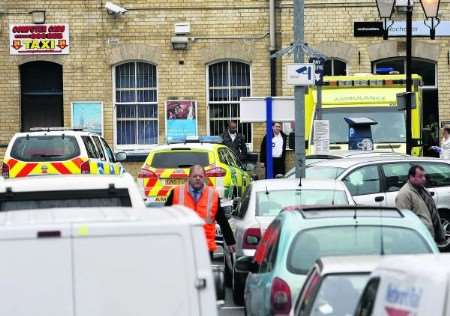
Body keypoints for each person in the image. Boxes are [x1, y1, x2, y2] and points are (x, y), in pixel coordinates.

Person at [165, 165, 236, 259]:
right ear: (189, 177)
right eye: (194, 176)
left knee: (202, 273)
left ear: (205, 178)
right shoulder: (176, 192)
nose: (198, 178)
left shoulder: (213, 195)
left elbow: (222, 220)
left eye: (200, 176)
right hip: (181, 245)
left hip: (205, 247)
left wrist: (230, 241)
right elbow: (165, 217)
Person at [395, 165, 446, 244]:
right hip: (418, 239)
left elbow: (432, 212)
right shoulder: (404, 194)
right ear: (411, 177)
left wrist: (440, 235)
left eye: (424, 176)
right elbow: (403, 221)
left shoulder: (422, 189)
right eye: (420, 176)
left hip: (428, 236)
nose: (424, 179)